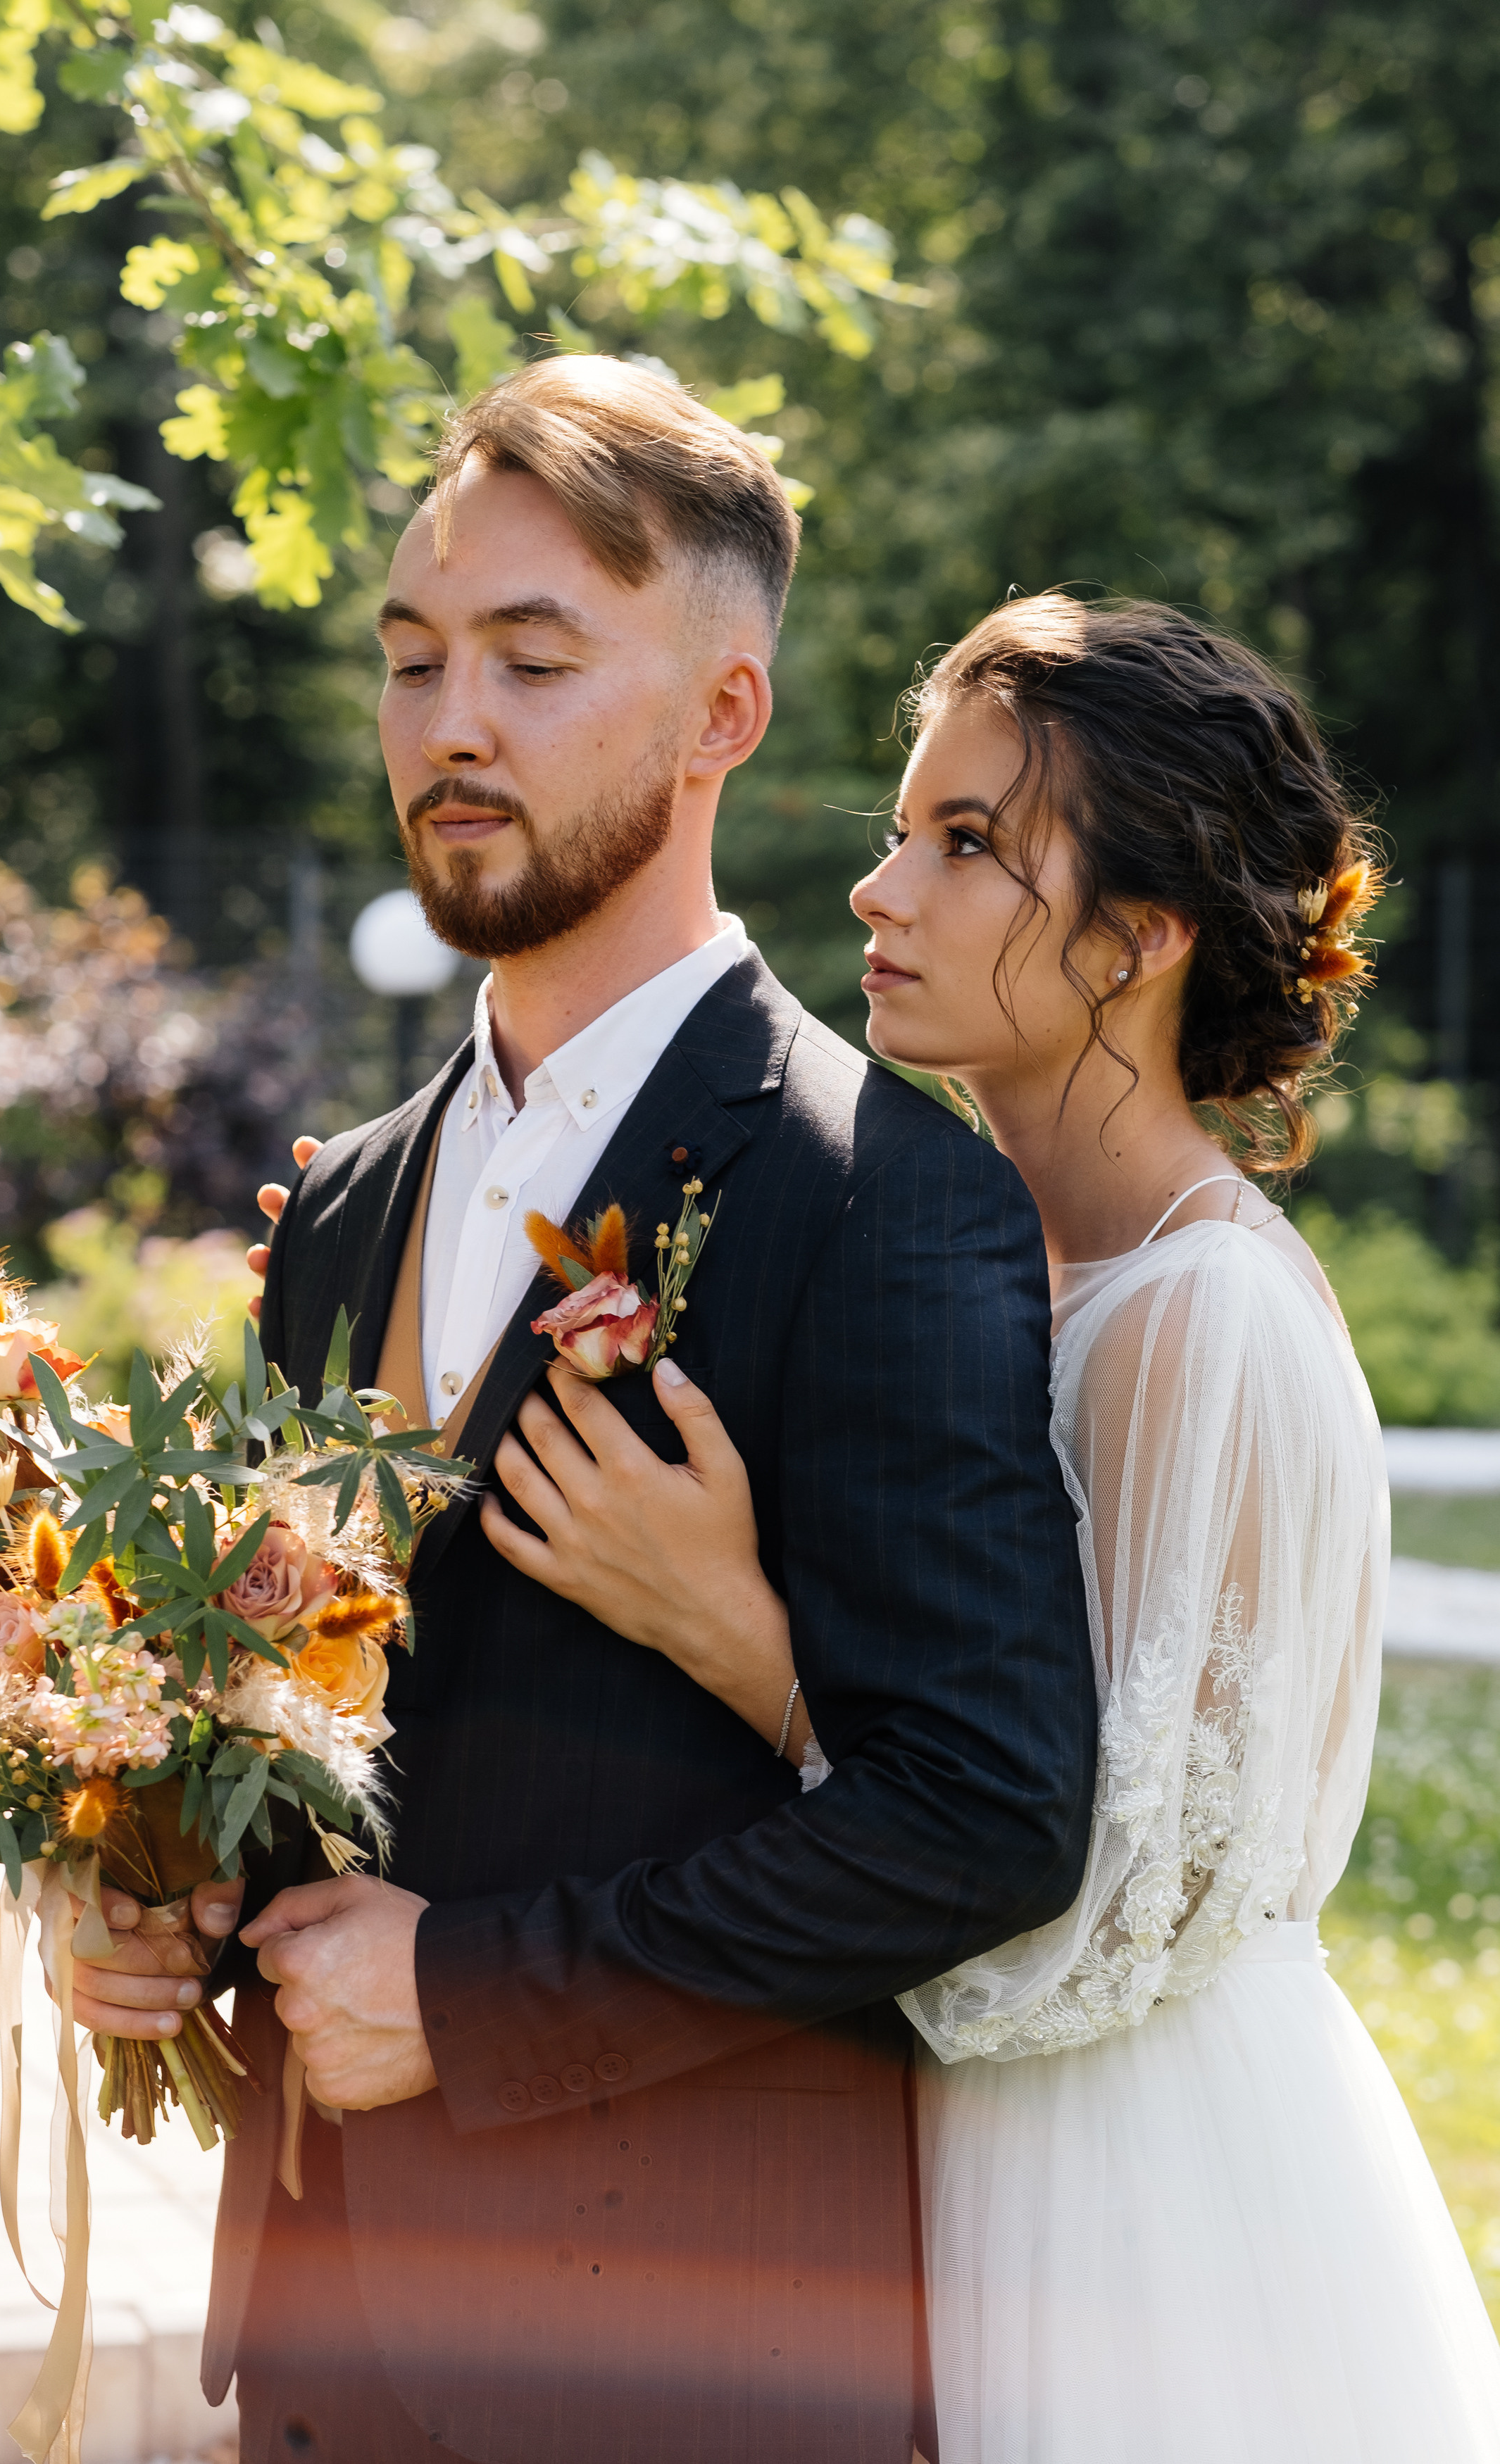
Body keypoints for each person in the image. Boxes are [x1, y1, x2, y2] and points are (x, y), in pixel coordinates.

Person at [67, 358, 1099, 2463]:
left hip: (686, 2366)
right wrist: (150, 1875)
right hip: (316, 2338)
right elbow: (329, 1724)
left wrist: (463, 1995)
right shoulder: (342, 1201)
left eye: (534, 662)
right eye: (415, 659)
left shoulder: (878, 1196)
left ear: (725, 714)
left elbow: (986, 1809)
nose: (451, 725)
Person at [485, 592, 1500, 2462]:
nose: (879, 892)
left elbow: (1091, 1927)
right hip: (887, 2157)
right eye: (899, 830)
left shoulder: (1208, 1324)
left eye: (967, 846)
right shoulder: (939, 1258)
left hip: (1133, 2184)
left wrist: (738, 1632)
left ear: (1139, 937)